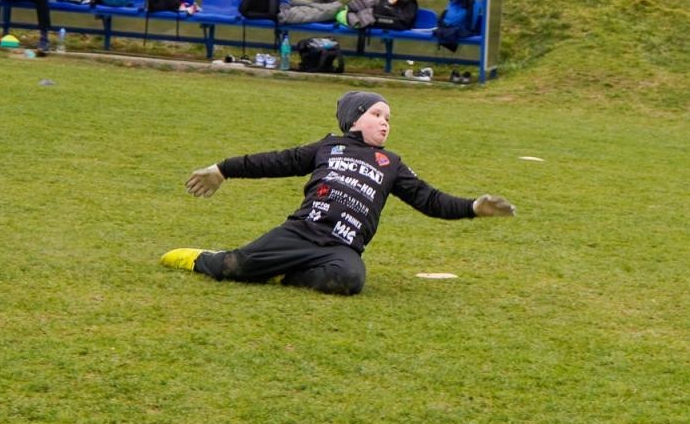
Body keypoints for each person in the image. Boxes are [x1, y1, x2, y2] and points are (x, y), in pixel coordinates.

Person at [160, 91, 517, 295]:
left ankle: (288, 273)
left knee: (349, 280)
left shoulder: (391, 163)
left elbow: (430, 199)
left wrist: (473, 207)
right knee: (234, 267)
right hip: (300, 231)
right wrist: (223, 169)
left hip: (341, 247)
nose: (385, 122)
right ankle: (197, 257)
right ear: (354, 118)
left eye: (389, 118)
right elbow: (275, 161)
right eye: (378, 114)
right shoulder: (328, 147)